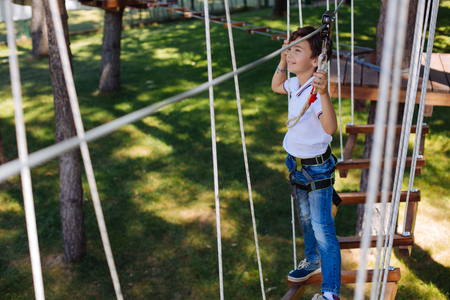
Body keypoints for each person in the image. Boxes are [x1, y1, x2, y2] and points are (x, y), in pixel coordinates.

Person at [271, 26, 341, 300]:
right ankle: (311, 261)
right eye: (289, 48)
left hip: (316, 169)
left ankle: (330, 292)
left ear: (316, 60)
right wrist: (282, 58)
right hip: (296, 166)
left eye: (297, 50)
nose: (290, 53)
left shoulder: (315, 90)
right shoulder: (296, 83)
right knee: (306, 220)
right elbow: (276, 85)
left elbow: (331, 128)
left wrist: (324, 94)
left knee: (323, 229)